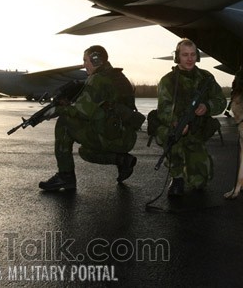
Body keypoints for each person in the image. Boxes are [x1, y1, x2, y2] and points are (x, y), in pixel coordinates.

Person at [39, 45, 140, 191]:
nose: (84, 64)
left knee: (64, 123)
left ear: (96, 60)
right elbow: (101, 106)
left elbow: (82, 111)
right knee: (85, 152)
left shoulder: (97, 79)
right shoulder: (119, 76)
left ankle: (65, 176)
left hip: (112, 136)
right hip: (125, 136)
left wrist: (57, 110)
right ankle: (123, 160)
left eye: (86, 60)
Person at [156, 38, 226, 197]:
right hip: (175, 130)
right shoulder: (167, 81)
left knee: (200, 182)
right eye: (185, 54)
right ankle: (177, 176)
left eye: (193, 54)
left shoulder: (206, 78)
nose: (189, 58)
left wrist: (207, 106)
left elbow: (221, 101)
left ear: (197, 57)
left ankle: (191, 166)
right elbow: (163, 109)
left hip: (196, 133)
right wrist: (175, 122)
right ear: (177, 57)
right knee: (170, 138)